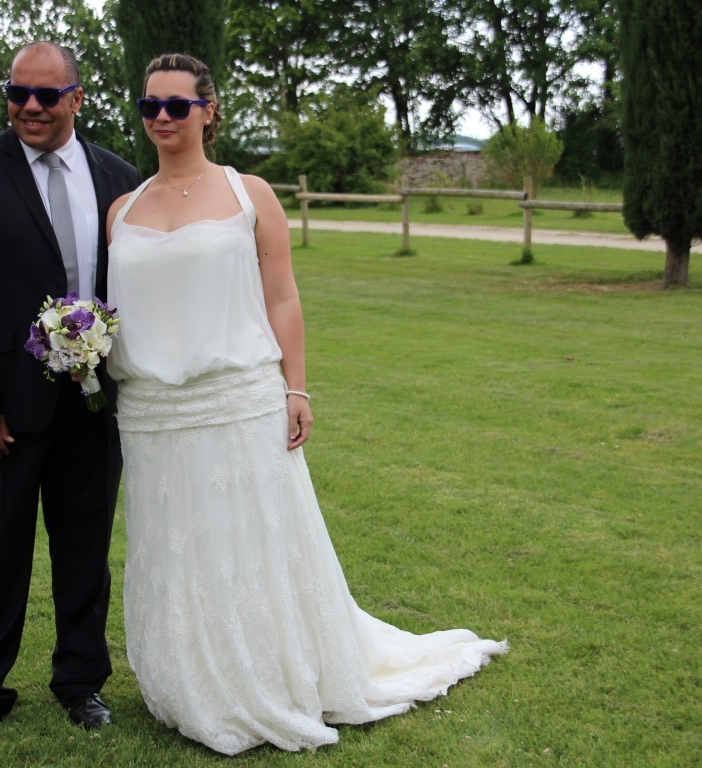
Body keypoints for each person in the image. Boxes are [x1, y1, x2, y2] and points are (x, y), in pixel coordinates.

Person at [105, 52, 508, 756]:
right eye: (150, 107)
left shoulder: (248, 194)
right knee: (176, 549)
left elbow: (283, 296)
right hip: (151, 415)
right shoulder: (123, 209)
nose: (162, 118)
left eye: (176, 105)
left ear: (208, 110)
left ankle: (269, 678)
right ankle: (189, 680)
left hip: (239, 400)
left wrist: (296, 386)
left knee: (252, 544)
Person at [0, 41, 140, 750]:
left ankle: (82, 685)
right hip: (0, 412)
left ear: (78, 98)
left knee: (85, 551)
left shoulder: (118, 177)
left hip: (93, 406)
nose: (32, 107)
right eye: (19, 93)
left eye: (48, 96)